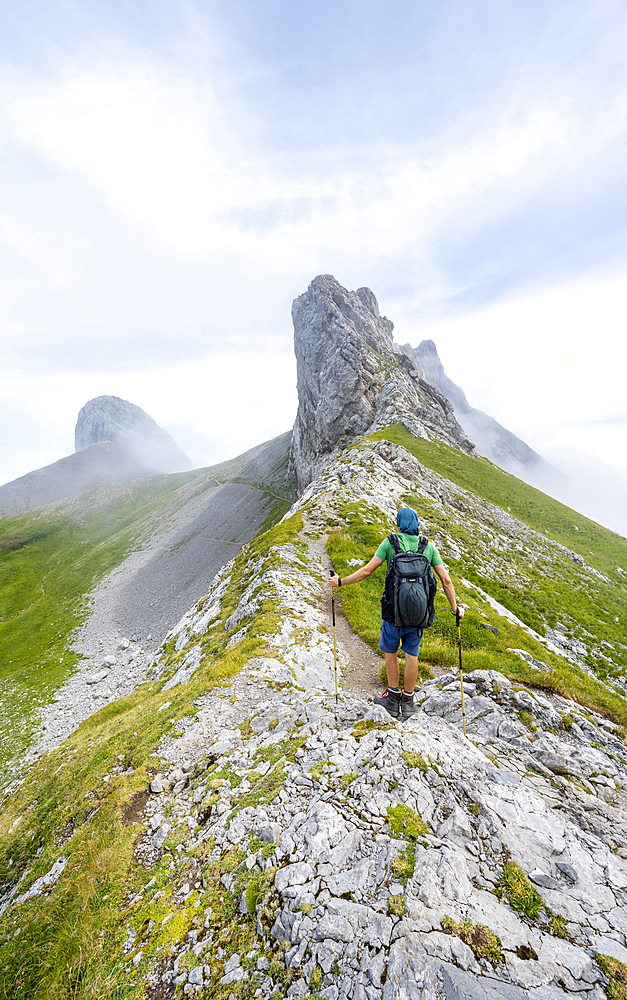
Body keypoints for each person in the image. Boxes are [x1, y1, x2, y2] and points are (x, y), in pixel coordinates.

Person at [328, 507, 464, 720]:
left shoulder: (390, 543)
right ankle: (408, 703)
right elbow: (446, 580)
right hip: (419, 614)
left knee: (391, 652)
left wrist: (340, 582)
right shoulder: (428, 547)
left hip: (393, 612)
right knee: (412, 655)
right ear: (416, 524)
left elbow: (366, 572)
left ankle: (392, 700)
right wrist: (455, 609)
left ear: (399, 524)